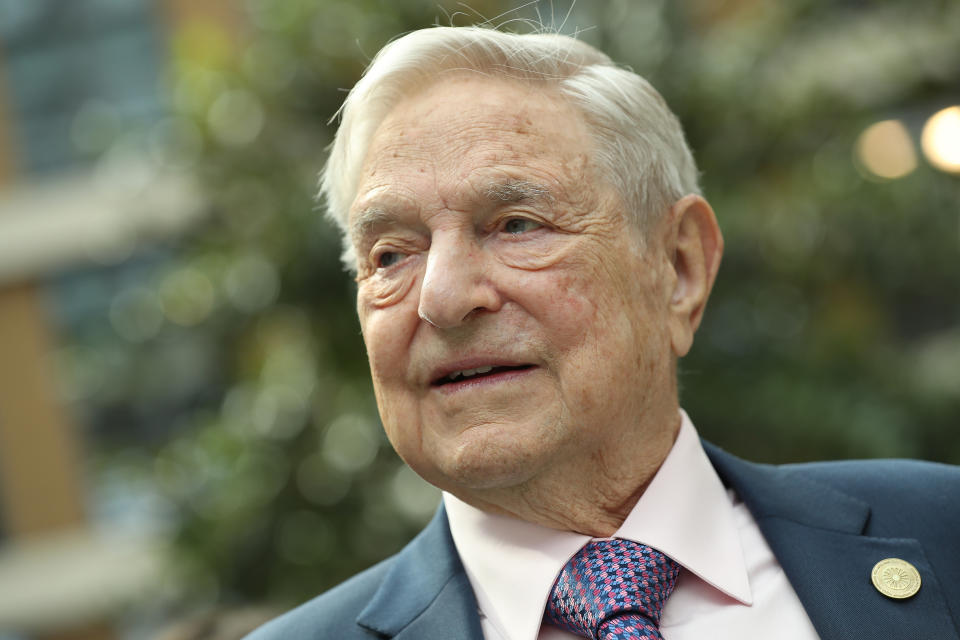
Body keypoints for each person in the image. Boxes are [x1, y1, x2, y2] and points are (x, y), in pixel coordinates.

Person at [246, 26, 960, 640]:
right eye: (392, 254)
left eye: (516, 225)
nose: (443, 297)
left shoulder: (942, 534)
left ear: (678, 268)